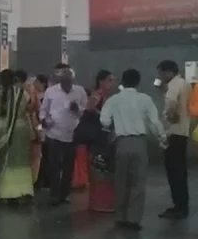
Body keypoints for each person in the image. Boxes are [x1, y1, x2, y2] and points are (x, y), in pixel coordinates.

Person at [100, 69, 166, 230]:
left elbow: (104, 121)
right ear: (138, 82)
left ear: (123, 81)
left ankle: (120, 218)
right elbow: (154, 122)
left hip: (121, 143)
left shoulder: (114, 100)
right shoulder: (145, 99)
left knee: (121, 181)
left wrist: (114, 126)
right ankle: (133, 220)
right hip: (139, 143)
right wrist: (162, 137)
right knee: (138, 182)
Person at [40, 67, 87, 205]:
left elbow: (85, 111)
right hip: (54, 133)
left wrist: (77, 110)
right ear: (59, 80)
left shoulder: (80, 91)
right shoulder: (51, 91)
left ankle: (64, 194)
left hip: (72, 134)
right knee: (54, 166)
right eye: (63, 80)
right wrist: (44, 121)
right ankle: (54, 194)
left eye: (68, 81)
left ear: (73, 80)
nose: (66, 83)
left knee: (69, 166)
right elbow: (44, 110)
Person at [0, 69, 35, 203]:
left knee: (2, 160)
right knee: (20, 161)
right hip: (19, 129)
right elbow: (30, 108)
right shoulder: (22, 94)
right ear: (15, 80)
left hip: (0, 129)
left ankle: (3, 192)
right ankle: (22, 192)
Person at [156, 60, 192, 219]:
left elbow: (171, 102)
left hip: (173, 133)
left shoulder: (174, 84)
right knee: (180, 172)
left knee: (174, 171)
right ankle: (182, 205)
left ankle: (179, 207)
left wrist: (170, 115)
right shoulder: (184, 83)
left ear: (168, 72)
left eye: (161, 73)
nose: (160, 77)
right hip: (182, 132)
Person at [85, 70, 116, 213]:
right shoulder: (98, 95)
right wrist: (103, 115)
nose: (112, 83)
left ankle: (105, 201)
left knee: (104, 168)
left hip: (105, 136)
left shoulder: (107, 96)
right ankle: (99, 202)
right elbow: (89, 107)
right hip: (98, 137)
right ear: (101, 81)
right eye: (109, 80)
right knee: (99, 167)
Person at [16, 70, 43, 186]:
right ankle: (31, 182)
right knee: (34, 156)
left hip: (16, 127)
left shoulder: (12, 91)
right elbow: (39, 109)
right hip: (32, 125)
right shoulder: (31, 89)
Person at [34, 74, 50, 189]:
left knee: (44, 154)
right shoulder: (34, 95)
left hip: (43, 128)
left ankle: (43, 179)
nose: (34, 84)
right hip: (39, 127)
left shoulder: (45, 97)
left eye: (36, 82)